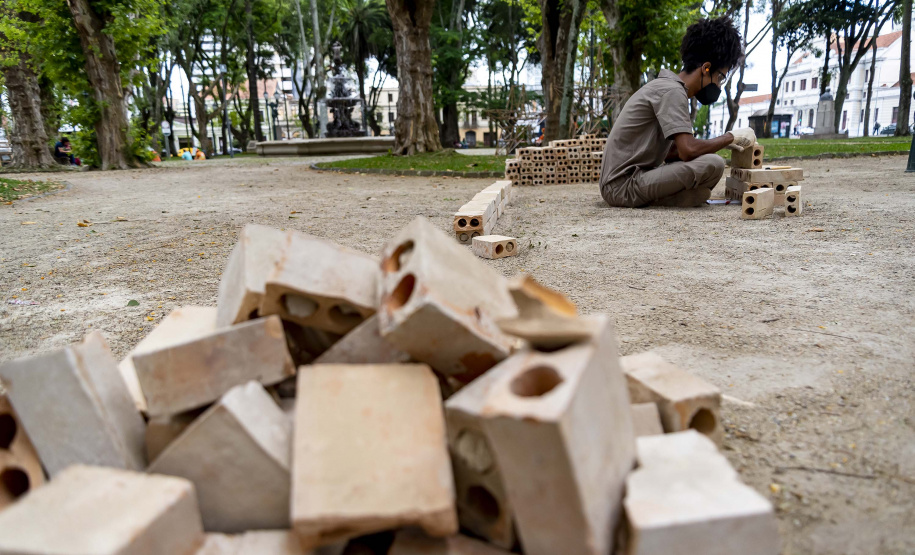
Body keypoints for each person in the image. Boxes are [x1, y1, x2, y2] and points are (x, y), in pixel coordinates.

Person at [599, 16, 755, 208]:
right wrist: (730, 138)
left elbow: (673, 152)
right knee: (714, 164)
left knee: (708, 166)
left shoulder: (668, 88)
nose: (719, 85)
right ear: (706, 68)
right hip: (622, 186)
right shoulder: (673, 91)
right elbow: (687, 150)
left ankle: (674, 197)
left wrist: (709, 145)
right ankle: (667, 199)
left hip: (621, 182)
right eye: (720, 77)